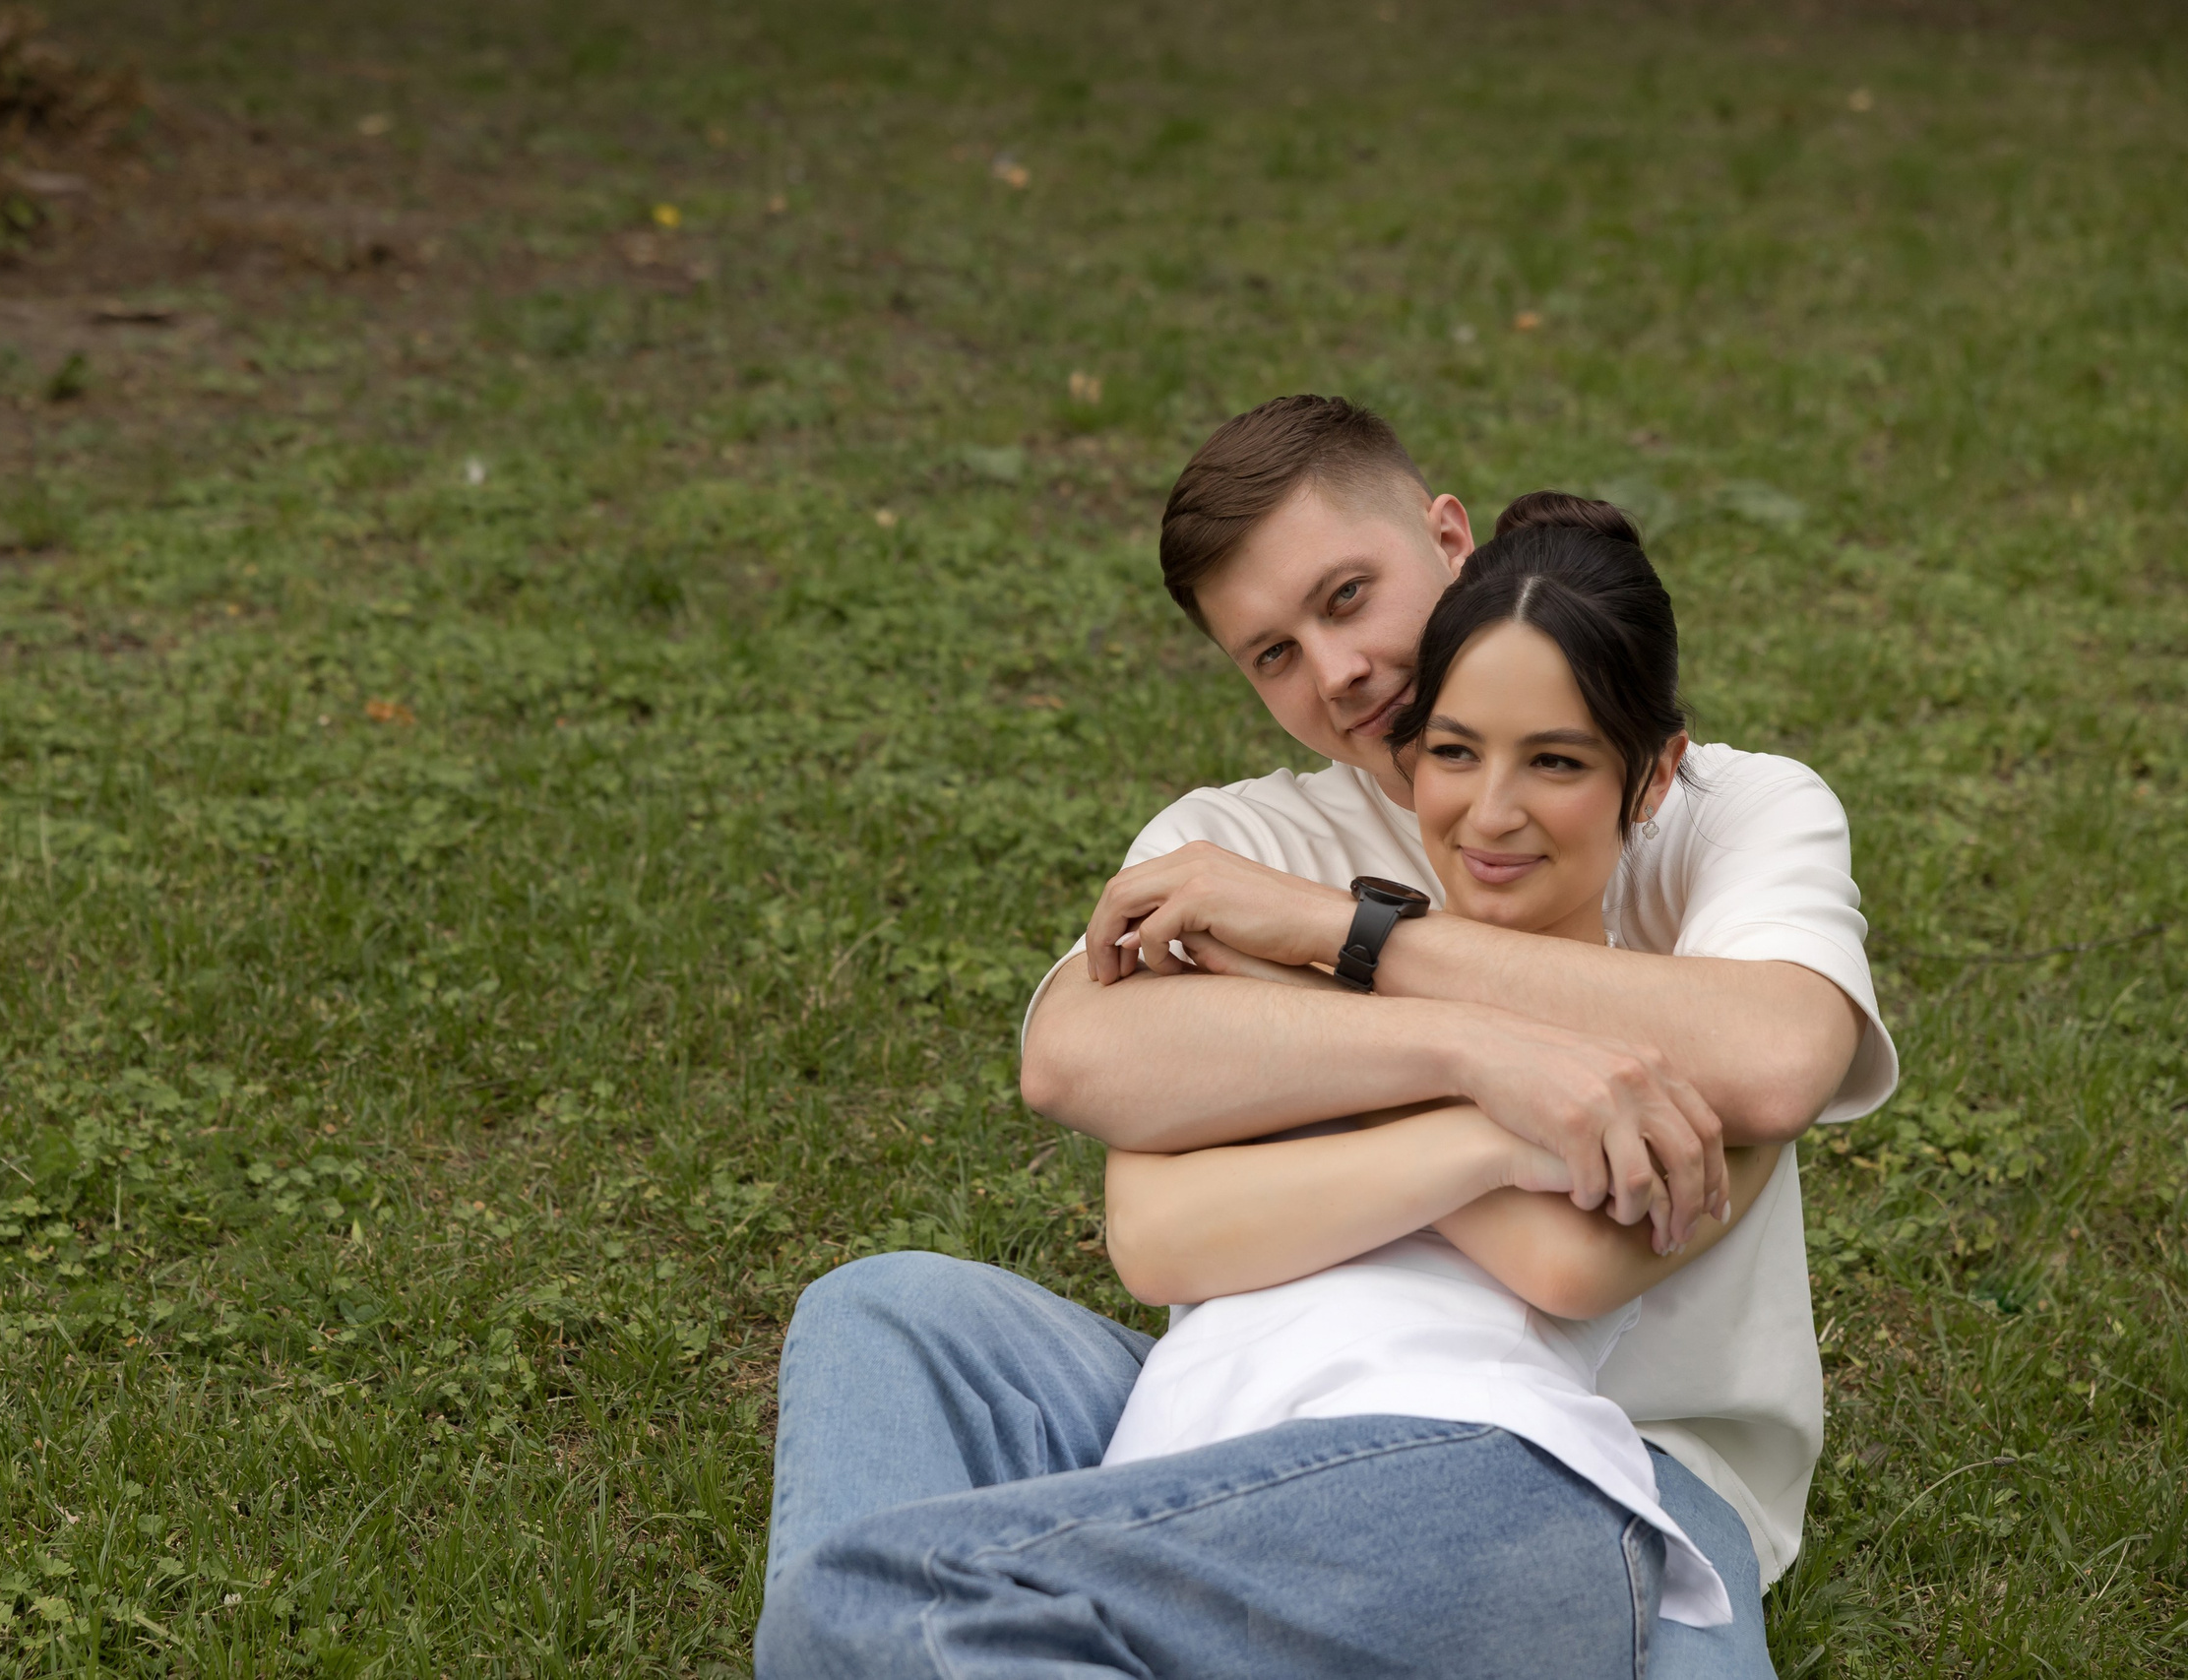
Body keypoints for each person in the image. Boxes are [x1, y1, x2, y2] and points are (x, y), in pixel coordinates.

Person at [755, 399, 1898, 1679]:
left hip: (1615, 1451)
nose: (1335, 670)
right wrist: (1479, 1064)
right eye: (1273, 655)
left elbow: (1774, 1061)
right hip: (1235, 1407)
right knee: (889, 1316)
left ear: (1446, 535)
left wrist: (1333, 944)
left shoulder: (1720, 803)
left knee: (870, 1617)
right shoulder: (1231, 837)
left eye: (1347, 597)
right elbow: (1085, 1081)